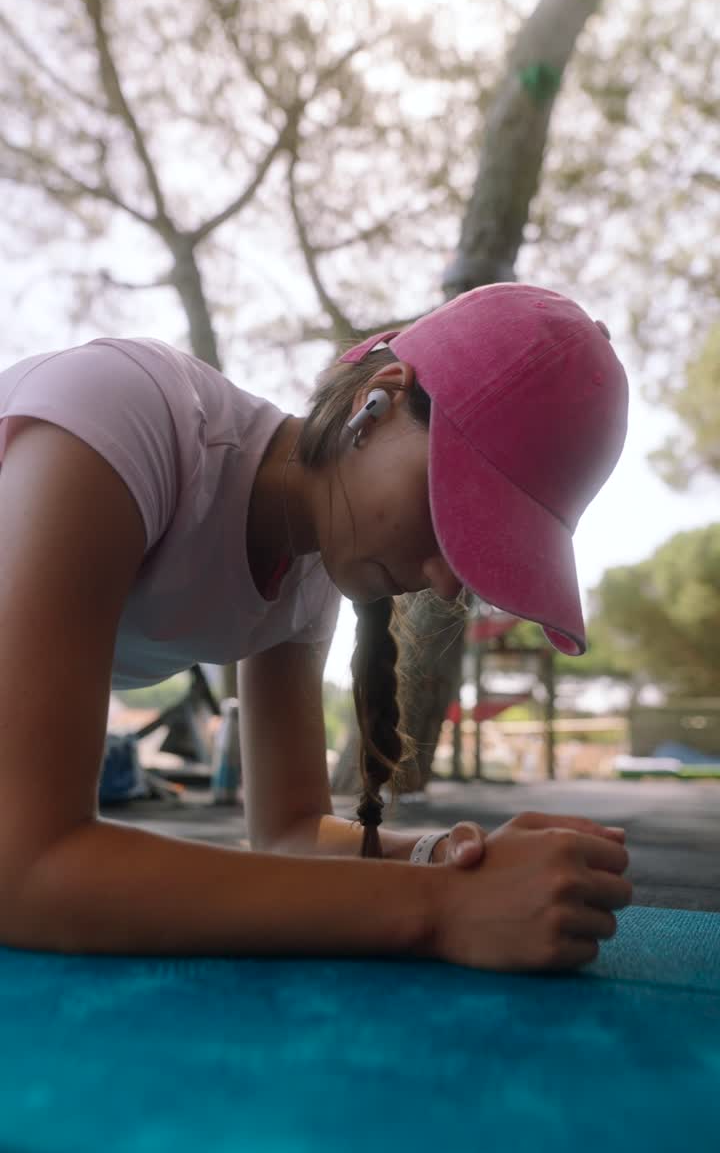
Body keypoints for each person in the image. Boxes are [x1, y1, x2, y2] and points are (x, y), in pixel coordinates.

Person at [0, 283, 631, 971]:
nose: (451, 582)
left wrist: (449, 861)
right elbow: (26, 868)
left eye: (485, 550)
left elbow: (290, 832)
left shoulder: (307, 573)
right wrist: (441, 911)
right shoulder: (127, 414)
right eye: (458, 508)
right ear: (379, 402)